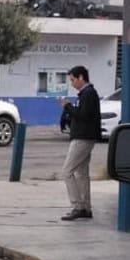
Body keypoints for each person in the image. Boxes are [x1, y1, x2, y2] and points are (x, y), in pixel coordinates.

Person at [58, 65, 101, 221]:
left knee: (67, 171)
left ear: (81, 77)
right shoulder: (86, 94)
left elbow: (83, 115)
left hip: (82, 138)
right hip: (85, 137)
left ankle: (77, 206)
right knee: (82, 174)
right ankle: (85, 208)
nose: (72, 83)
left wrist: (67, 106)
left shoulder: (88, 94)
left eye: (73, 79)